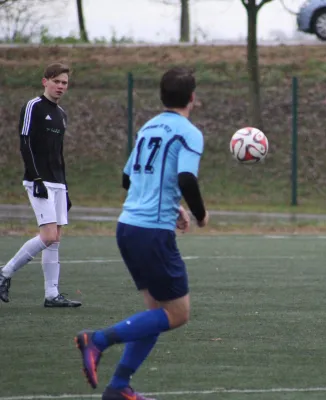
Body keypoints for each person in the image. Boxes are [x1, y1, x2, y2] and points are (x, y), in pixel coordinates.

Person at [75, 67, 209, 400]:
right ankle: (98, 340)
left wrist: (173, 205)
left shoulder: (148, 127)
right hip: (152, 232)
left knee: (156, 313)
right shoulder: (188, 132)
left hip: (128, 226)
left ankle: (120, 386)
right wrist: (200, 214)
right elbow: (187, 179)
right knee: (177, 314)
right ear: (192, 97)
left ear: (162, 96)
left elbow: (127, 178)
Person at [0, 63, 81, 307]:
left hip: (57, 182)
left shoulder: (61, 114)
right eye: (56, 81)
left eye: (64, 83)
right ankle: (4, 273)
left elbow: (59, 154)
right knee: (47, 235)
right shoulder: (33, 106)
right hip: (39, 180)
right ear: (45, 81)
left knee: (55, 239)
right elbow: (24, 143)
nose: (60, 86)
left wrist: (65, 188)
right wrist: (35, 178)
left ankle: (51, 294)